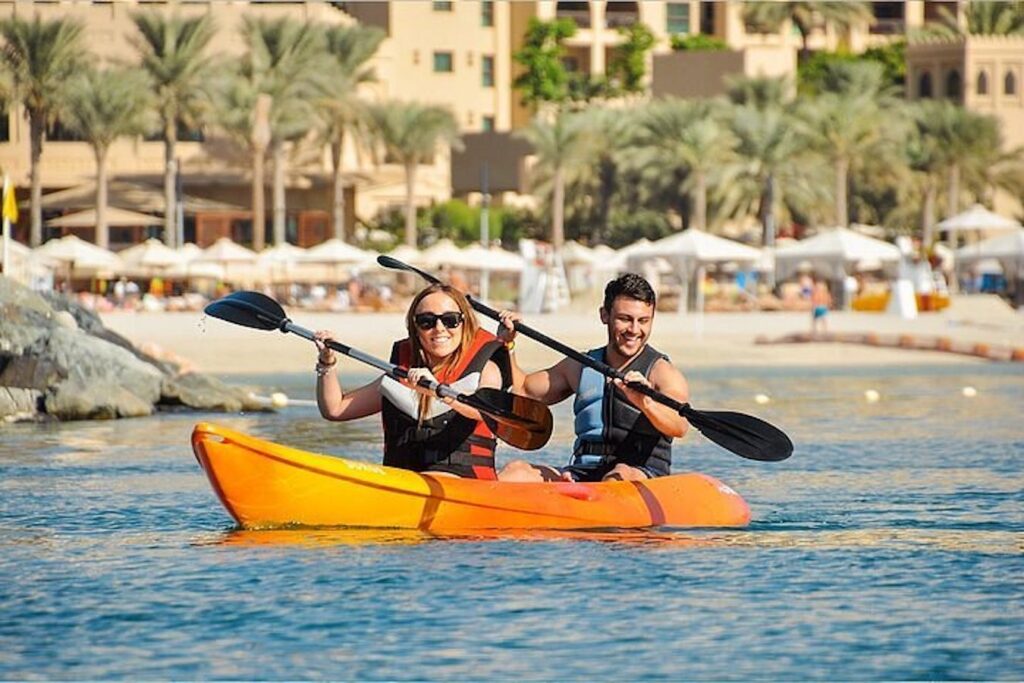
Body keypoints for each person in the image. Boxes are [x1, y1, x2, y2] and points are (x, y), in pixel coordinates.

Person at [497, 273, 690, 483]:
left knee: (618, 476)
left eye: (643, 321)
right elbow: (523, 391)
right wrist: (508, 344)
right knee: (515, 471)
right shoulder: (580, 365)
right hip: (583, 472)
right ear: (604, 315)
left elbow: (679, 426)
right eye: (625, 319)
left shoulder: (662, 372)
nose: (634, 330)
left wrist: (646, 402)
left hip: (639, 473)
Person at [313, 283, 512, 479]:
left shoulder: (487, 368)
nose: (439, 328)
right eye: (427, 321)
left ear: (464, 323)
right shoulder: (402, 374)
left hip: (465, 480)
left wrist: (438, 391)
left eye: (450, 320)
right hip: (403, 478)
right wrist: (327, 362)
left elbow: (487, 413)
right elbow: (335, 409)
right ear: (415, 328)